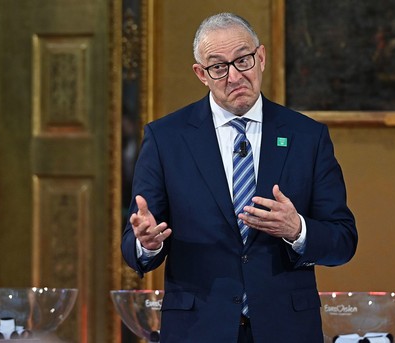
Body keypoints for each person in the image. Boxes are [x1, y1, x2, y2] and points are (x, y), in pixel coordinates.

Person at [122, 12, 358, 343]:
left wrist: (298, 230)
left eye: (243, 60)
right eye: (218, 67)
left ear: (260, 57)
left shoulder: (308, 137)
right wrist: (146, 244)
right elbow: (135, 244)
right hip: (198, 329)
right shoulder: (166, 139)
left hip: (286, 330)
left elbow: (343, 241)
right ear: (201, 74)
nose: (234, 76)